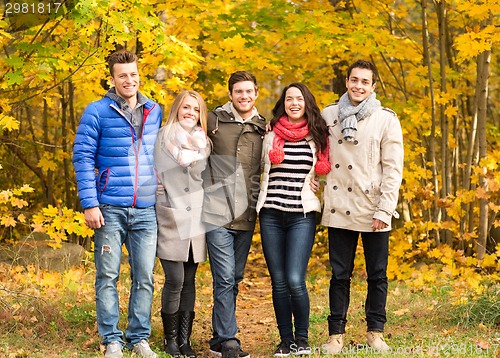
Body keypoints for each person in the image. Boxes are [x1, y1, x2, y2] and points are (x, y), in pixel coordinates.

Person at [72, 50, 161, 358]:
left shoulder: (155, 110)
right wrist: (89, 203)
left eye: (133, 74)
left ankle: (139, 338)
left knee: (145, 276)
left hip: (146, 210)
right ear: (112, 78)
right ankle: (112, 339)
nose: (129, 80)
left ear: (140, 75)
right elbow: (82, 158)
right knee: (108, 275)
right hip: (109, 207)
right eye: (122, 75)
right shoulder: (97, 111)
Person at [320, 60, 404, 354]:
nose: (358, 86)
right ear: (346, 81)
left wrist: (384, 209)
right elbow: (303, 135)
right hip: (340, 205)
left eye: (364, 82)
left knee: (377, 273)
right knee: (339, 275)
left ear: (373, 86)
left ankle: (375, 332)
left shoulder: (385, 119)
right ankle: (335, 335)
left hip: (373, 208)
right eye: (354, 80)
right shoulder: (329, 115)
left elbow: (393, 169)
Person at [256, 83, 331, 357]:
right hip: (271, 214)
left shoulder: (317, 135)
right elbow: (258, 168)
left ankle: (302, 339)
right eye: (289, 98)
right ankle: (285, 341)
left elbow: (327, 168)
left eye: (299, 98)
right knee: (278, 281)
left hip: (302, 215)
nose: (294, 102)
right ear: (283, 103)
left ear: (306, 102)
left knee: (295, 279)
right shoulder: (270, 133)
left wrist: (320, 183)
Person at [201, 71, 267, 358]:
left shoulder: (263, 126)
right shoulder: (213, 120)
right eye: (238, 91)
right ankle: (229, 340)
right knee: (226, 277)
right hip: (215, 212)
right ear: (230, 94)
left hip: (247, 213)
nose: (244, 96)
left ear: (256, 93)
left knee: (234, 277)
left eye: (249, 91)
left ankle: (218, 338)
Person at [154, 90, 211, 358]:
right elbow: (154, 174)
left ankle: (185, 341)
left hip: (196, 219)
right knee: (174, 278)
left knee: (189, 280)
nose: (191, 113)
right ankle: (170, 340)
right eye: (186, 107)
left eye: (196, 109)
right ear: (177, 108)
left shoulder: (204, 143)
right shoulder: (163, 138)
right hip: (170, 216)